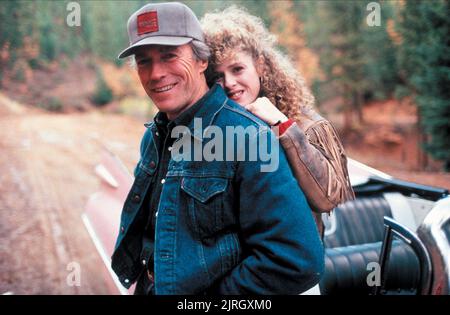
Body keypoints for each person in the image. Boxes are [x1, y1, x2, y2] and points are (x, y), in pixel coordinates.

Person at [111, 2, 324, 295]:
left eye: (169, 55)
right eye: (144, 61)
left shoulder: (247, 138)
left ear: (201, 60)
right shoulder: (154, 136)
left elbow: (296, 260)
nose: (156, 73)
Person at [200, 7, 355, 235]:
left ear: (260, 65)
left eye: (237, 69)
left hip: (292, 260)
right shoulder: (212, 127)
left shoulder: (303, 123)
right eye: (218, 76)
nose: (230, 82)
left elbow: (328, 198)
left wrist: (285, 128)